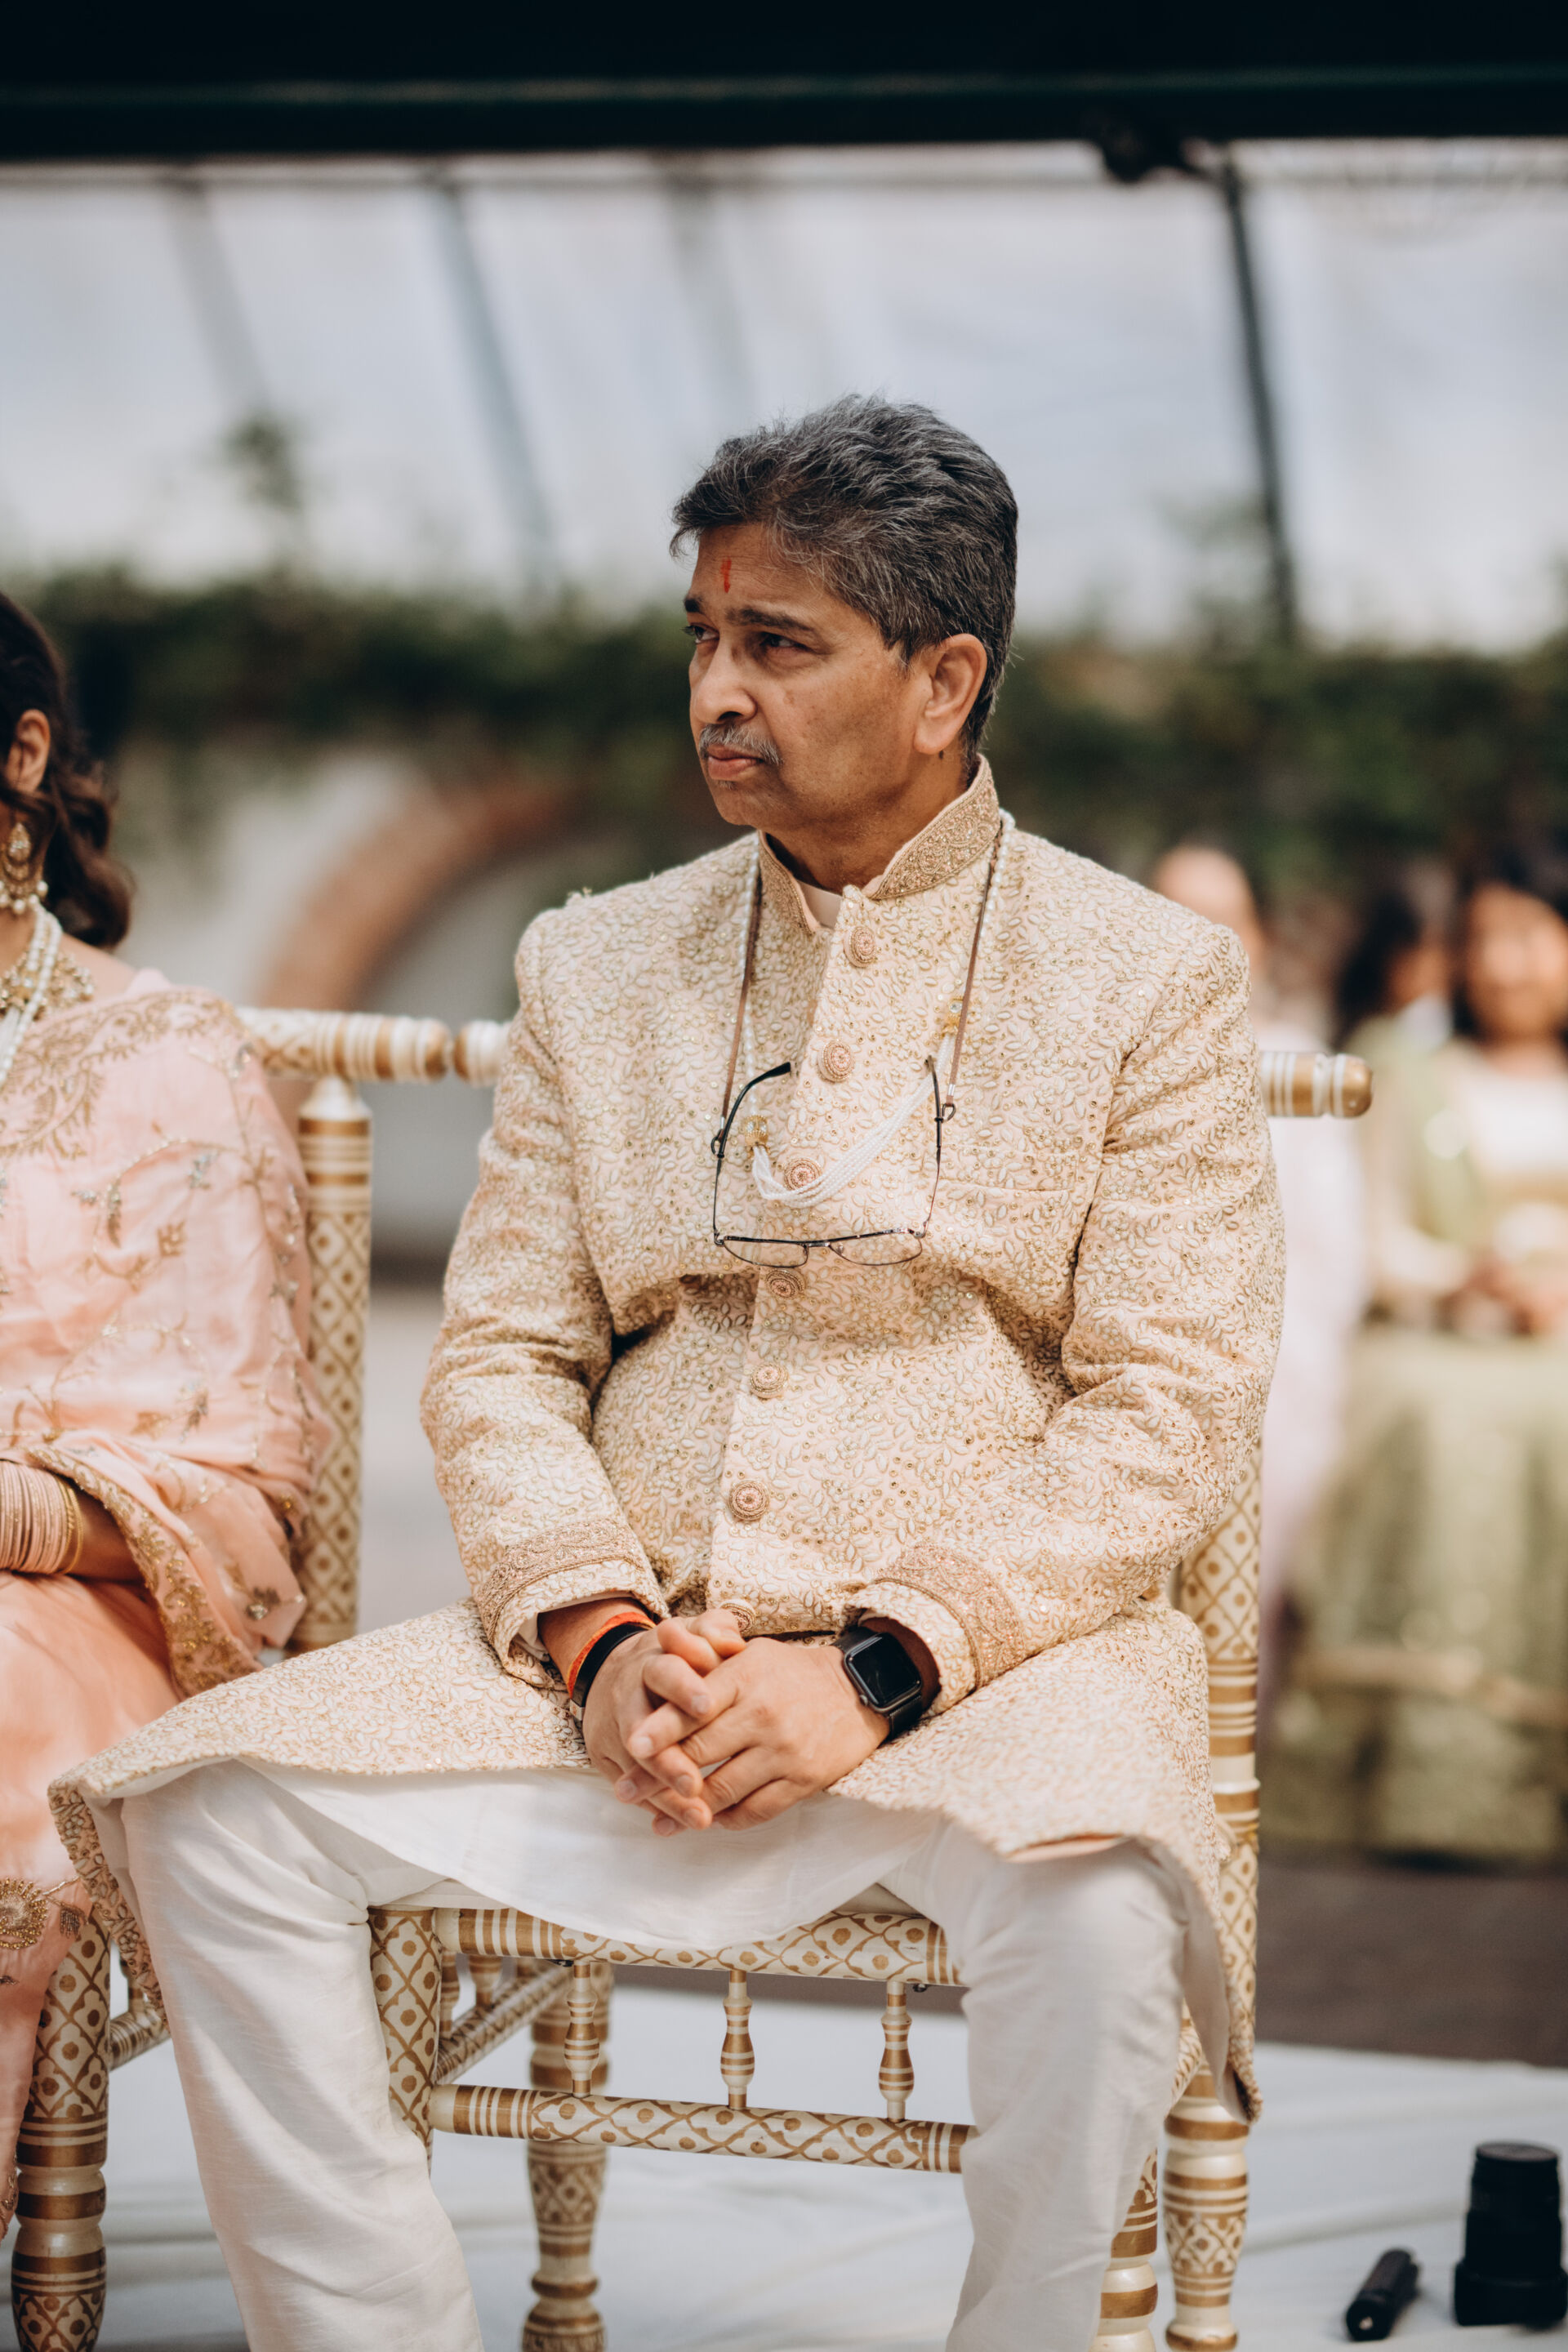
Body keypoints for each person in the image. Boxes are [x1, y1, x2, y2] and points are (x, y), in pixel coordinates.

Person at [54, 399, 1281, 2352]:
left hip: (992, 1681)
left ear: (945, 679)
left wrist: (876, 1667)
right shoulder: (594, 963)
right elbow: (500, 1358)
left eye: (777, 644)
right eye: (703, 635)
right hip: (624, 1672)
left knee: (1104, 1903)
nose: (717, 690)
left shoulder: (1149, 979)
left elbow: (1170, 1408)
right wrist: (602, 1638)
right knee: (207, 1811)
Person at [0, 593, 329, 2234]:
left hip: (75, 1602)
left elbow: (253, 1500)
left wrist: (23, 1509)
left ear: (21, 756)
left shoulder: (167, 1063)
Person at [1269, 842, 1568, 1862]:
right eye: (1486, 939)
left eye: (1531, 938)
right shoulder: (1412, 1072)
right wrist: (1461, 1281)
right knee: (1448, 1422)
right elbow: (1375, 1237)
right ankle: (1421, 1765)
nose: (1505, 965)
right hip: (1436, 1340)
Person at [1150, 844, 1366, 1715]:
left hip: (1276, 1365)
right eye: (1170, 913)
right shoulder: (1100, 1060)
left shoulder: (1300, 1070)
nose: (1197, 940)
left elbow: (1335, 1259)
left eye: (1222, 921)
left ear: (1262, 939)